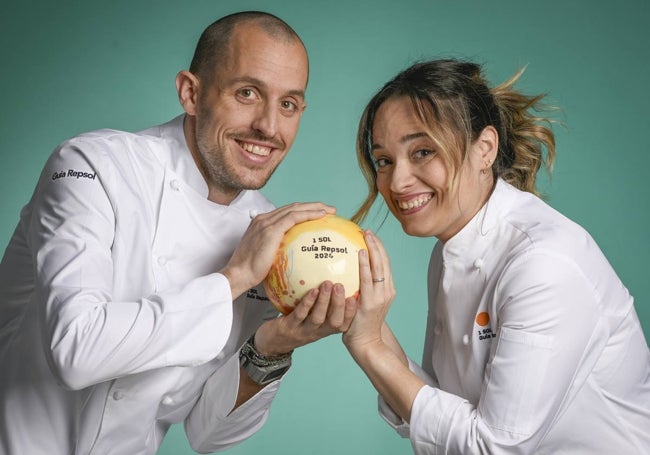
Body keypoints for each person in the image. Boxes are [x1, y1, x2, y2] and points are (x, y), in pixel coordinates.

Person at [0, 11, 356, 455]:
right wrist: (234, 278)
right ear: (191, 93)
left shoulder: (268, 235)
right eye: (247, 93)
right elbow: (75, 351)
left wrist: (274, 347)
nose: (269, 126)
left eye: (288, 104)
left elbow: (207, 434)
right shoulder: (92, 168)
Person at [342, 59, 650, 454]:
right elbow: (444, 407)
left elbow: (492, 447)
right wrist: (363, 323)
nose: (397, 181)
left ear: (484, 149)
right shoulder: (449, 249)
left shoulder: (542, 262)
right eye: (384, 160)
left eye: (422, 151)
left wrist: (369, 346)